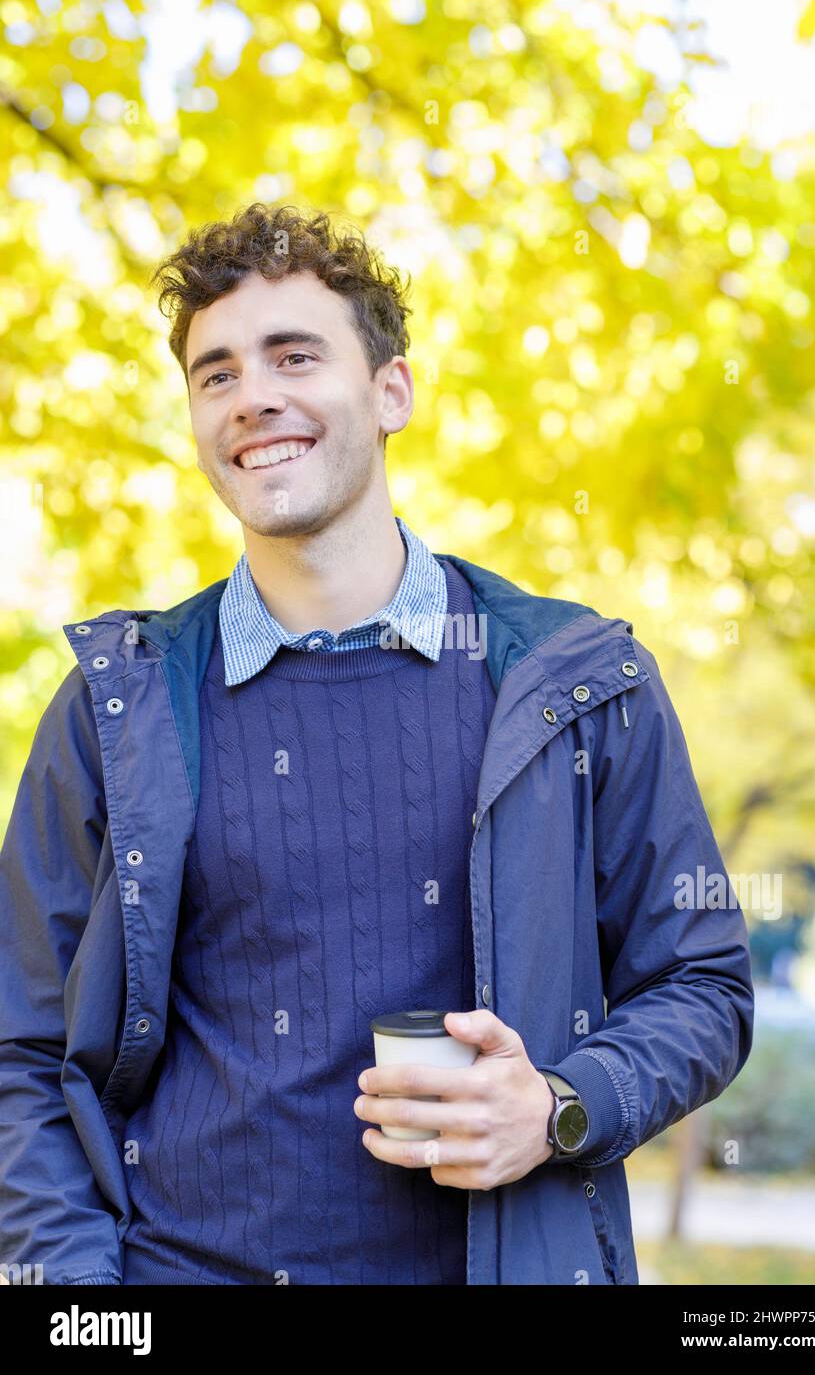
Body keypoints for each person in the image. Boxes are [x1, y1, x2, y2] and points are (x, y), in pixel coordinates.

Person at [0, 203, 754, 1286]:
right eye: (215, 374)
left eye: (293, 355)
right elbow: (23, 1045)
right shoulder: (118, 704)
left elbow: (702, 984)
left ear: (390, 390)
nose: (252, 394)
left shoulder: (575, 679)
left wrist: (557, 1106)